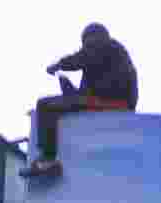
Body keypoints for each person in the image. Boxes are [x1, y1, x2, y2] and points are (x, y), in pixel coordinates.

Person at [22, 23, 138, 179]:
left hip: (114, 102)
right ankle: (48, 158)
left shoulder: (108, 46)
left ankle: (48, 161)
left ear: (95, 37)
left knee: (46, 106)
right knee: (47, 102)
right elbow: (91, 87)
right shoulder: (106, 56)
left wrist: (59, 65)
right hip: (104, 99)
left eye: (87, 41)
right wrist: (70, 90)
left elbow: (79, 60)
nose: (85, 46)